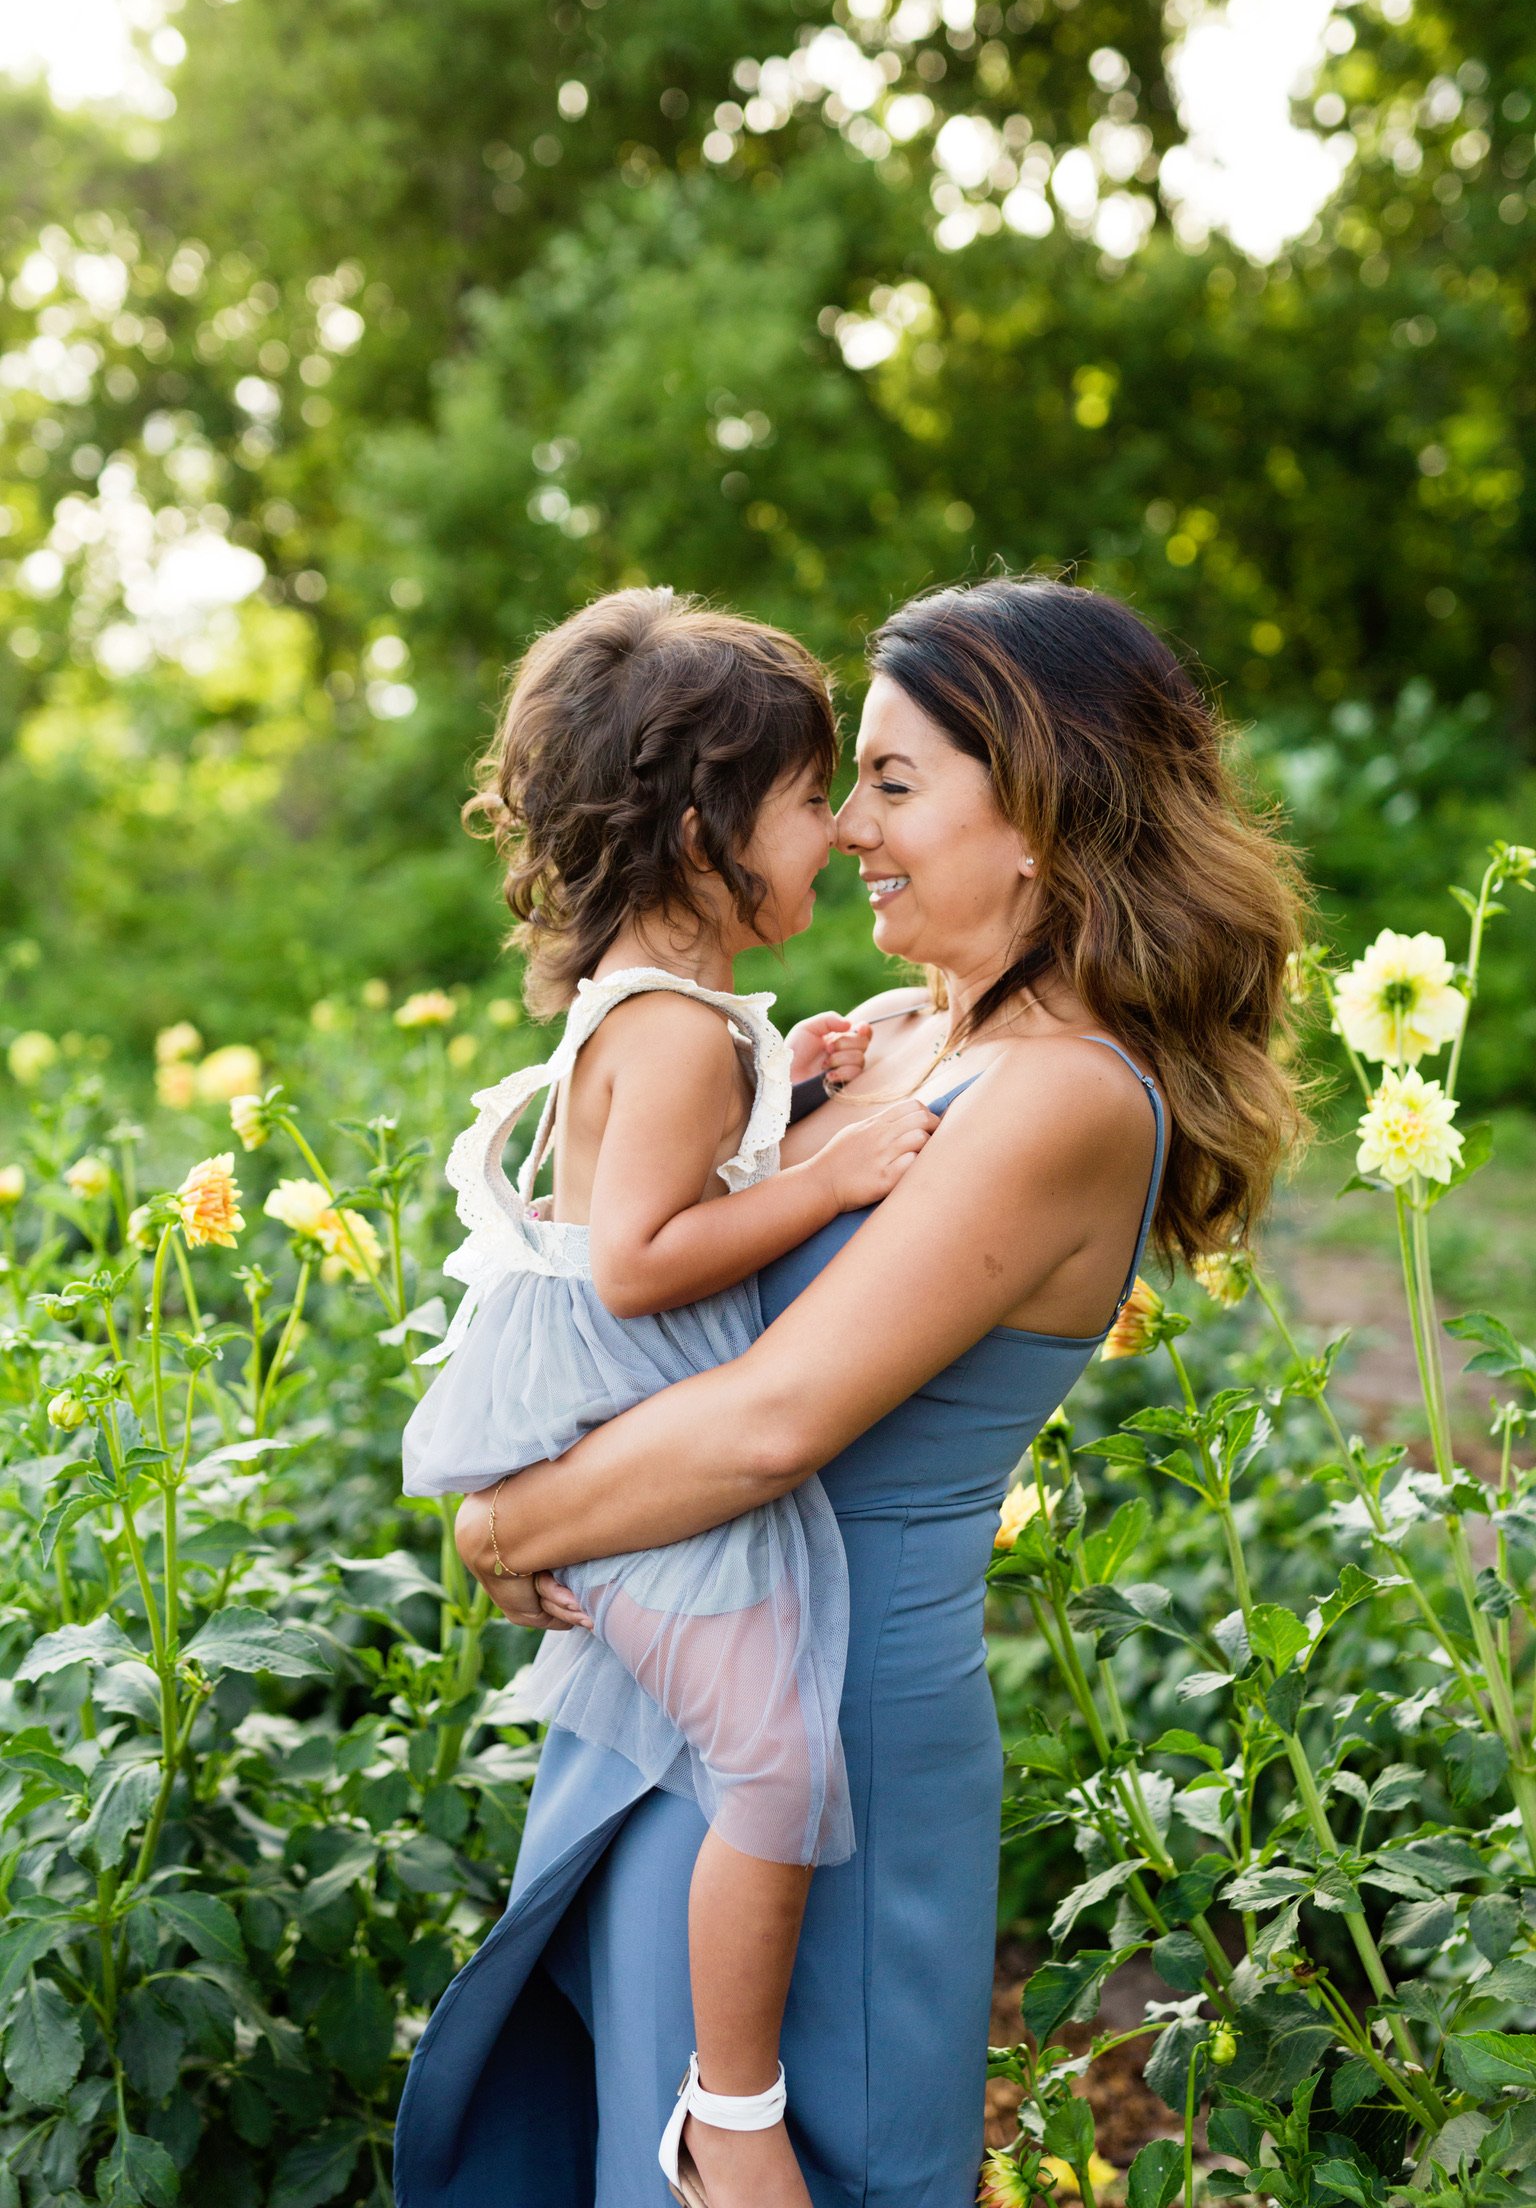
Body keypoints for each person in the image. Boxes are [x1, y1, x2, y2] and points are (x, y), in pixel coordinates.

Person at [393, 576, 1306, 2208]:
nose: (850, 828)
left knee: (801, 2158)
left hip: (829, 1741)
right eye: (841, 786)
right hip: (675, 1684)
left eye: (890, 782)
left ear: (1041, 814)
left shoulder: (1067, 1098)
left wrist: (504, 1524)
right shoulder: (886, 1038)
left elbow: (773, 1420)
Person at [401, 586, 937, 2208]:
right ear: (704, 835)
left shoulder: (676, 1014)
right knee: (773, 1766)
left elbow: (677, 1181)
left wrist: (794, 1096)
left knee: (745, 1752)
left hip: (611, 1415)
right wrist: (827, 1173)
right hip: (628, 1415)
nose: (840, 829)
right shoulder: (680, 1031)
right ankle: (731, 2106)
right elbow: (641, 1261)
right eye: (810, 796)